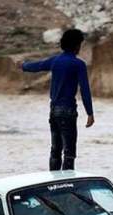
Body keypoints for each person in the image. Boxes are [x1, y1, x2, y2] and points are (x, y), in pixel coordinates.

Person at [18, 28, 94, 171]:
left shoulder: (55, 60)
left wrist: (22, 65)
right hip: (68, 112)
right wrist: (90, 113)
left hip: (53, 111)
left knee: (55, 150)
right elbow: (85, 90)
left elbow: (37, 66)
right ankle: (66, 184)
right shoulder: (78, 64)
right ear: (77, 45)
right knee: (69, 153)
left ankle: (52, 181)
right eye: (80, 45)